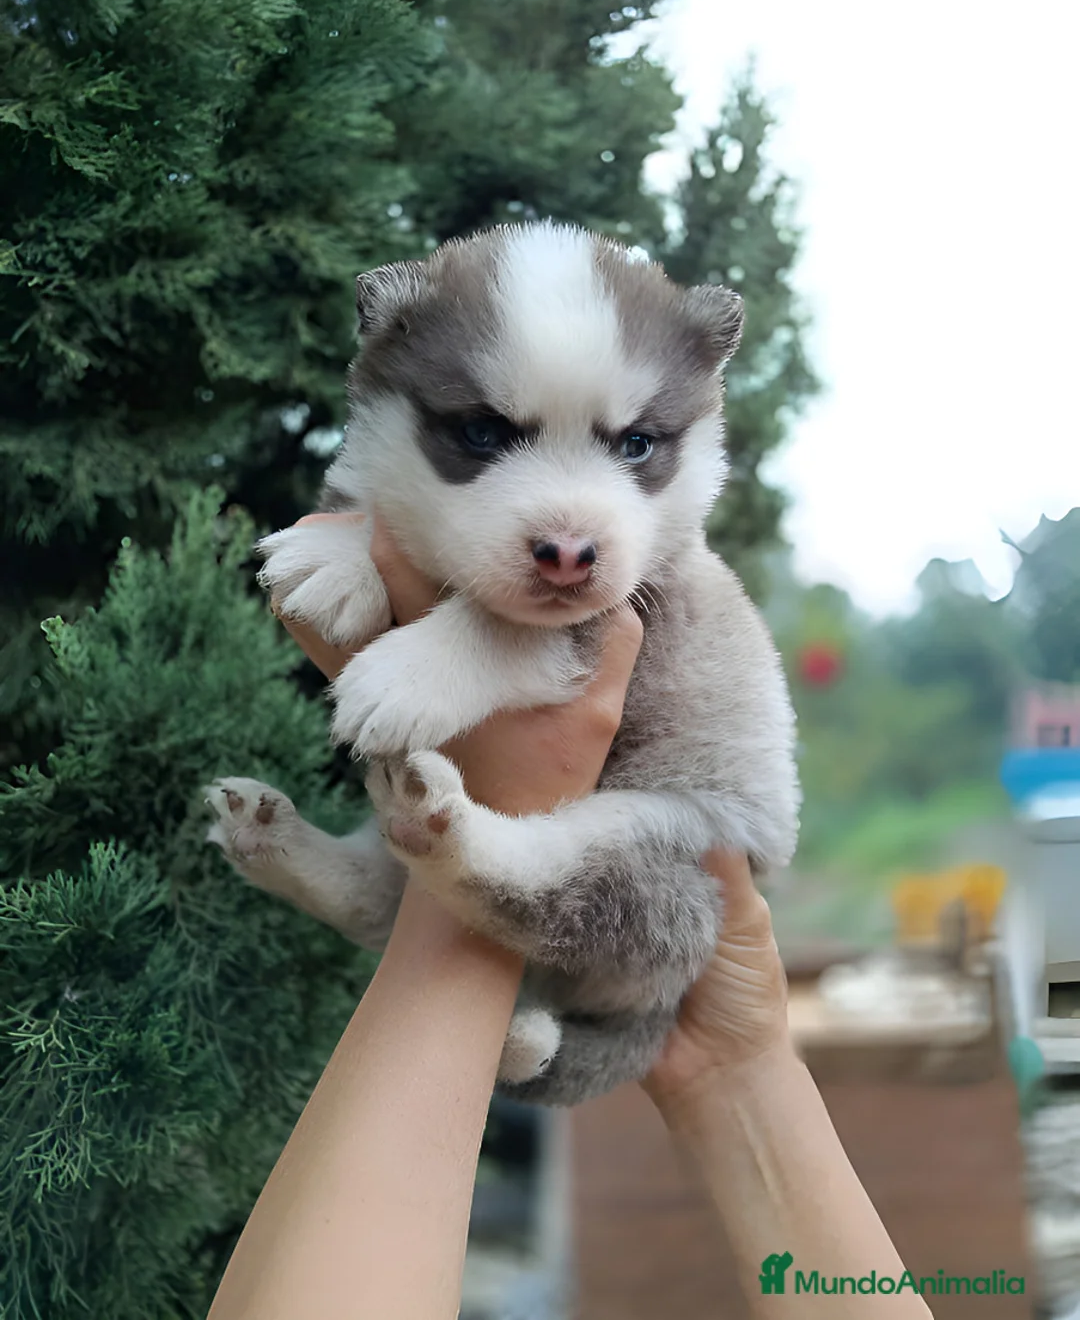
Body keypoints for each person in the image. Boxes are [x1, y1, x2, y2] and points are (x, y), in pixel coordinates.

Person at [207, 514, 932, 1320]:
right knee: (435, 809)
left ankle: (420, 874)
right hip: (656, 961)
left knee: (465, 823)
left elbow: (568, 650)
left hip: (642, 871)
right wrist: (744, 1065)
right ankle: (387, 876)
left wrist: (499, 808)